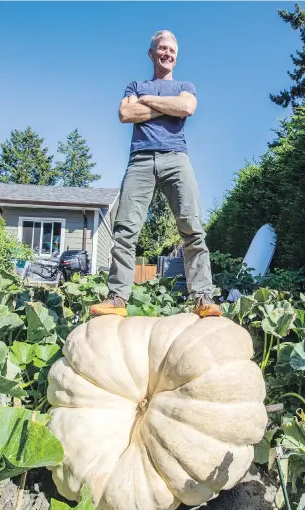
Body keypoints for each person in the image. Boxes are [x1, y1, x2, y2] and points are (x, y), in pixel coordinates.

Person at [90, 30, 221, 319]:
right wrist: (167, 108)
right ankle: (117, 299)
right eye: (162, 48)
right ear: (152, 53)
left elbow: (186, 107)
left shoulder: (184, 86)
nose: (167, 53)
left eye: (172, 50)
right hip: (140, 160)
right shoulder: (135, 84)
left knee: (192, 229)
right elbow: (125, 115)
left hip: (176, 159)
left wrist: (146, 102)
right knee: (125, 231)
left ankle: (202, 298)